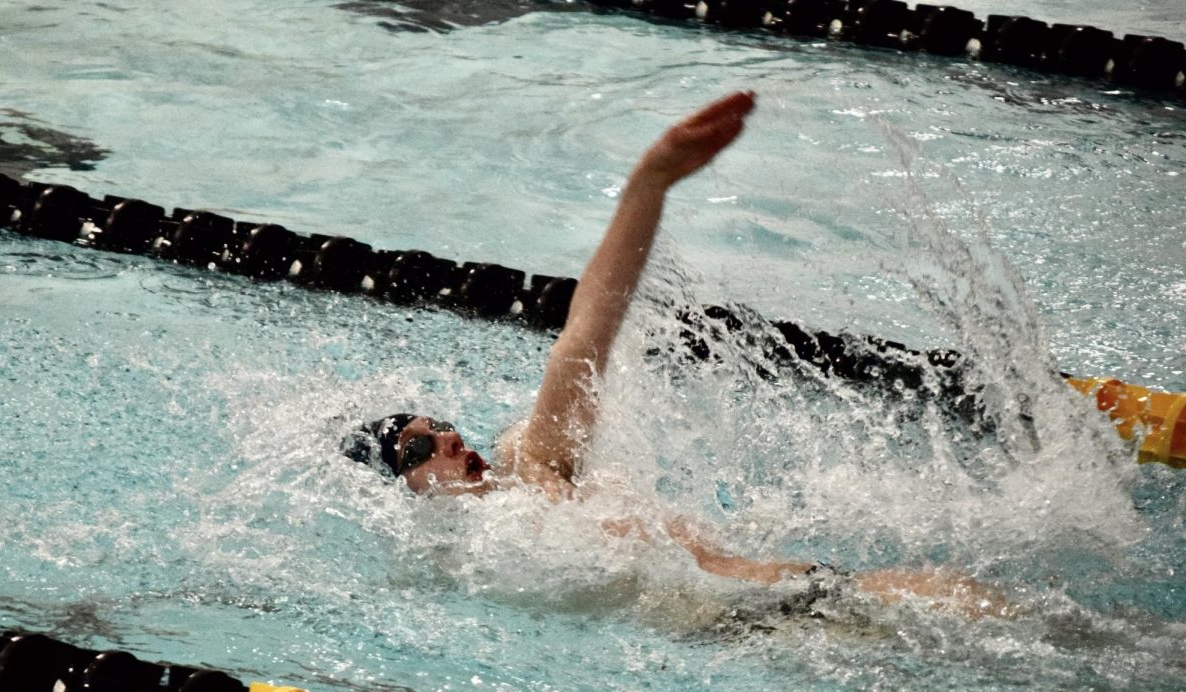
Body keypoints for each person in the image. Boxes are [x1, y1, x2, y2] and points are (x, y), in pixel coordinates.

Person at [345, 92, 1007, 616]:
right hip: (767, 624)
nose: (449, 439)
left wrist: (650, 184)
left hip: (795, 601)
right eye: (417, 450)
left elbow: (585, 338)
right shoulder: (464, 561)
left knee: (968, 598)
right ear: (400, 494)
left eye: (437, 425)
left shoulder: (531, 465)